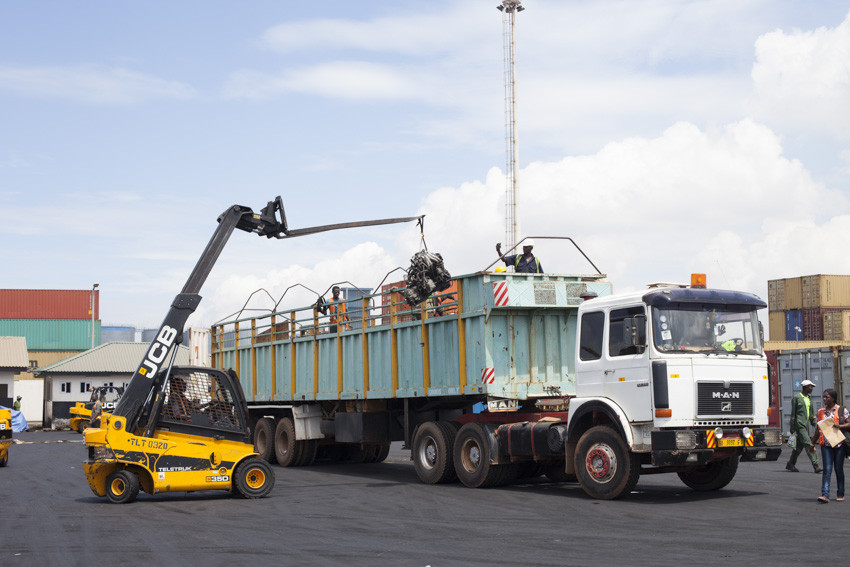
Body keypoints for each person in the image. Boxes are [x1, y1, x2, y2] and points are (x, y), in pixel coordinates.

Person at [815, 388, 850, 503]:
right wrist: (812, 443)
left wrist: (840, 426)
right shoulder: (821, 411)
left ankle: (840, 493)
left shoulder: (841, 410)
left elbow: (849, 423)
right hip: (826, 444)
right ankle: (825, 495)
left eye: (827, 397)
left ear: (833, 399)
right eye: (824, 397)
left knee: (838, 469)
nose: (824, 399)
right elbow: (818, 428)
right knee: (827, 469)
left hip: (839, 444)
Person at [786, 379, 823, 473]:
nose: (812, 388)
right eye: (811, 386)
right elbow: (793, 413)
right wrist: (792, 426)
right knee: (808, 443)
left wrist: (815, 424)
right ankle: (816, 465)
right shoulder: (797, 398)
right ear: (805, 387)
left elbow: (811, 413)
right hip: (799, 425)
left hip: (805, 425)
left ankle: (791, 464)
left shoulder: (809, 398)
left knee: (799, 446)